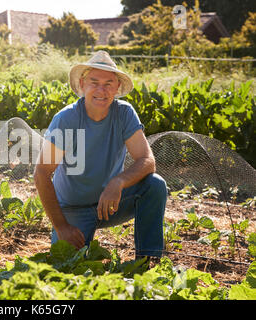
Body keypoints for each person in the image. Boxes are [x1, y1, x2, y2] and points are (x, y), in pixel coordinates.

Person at [33, 51, 167, 263]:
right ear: (82, 83)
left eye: (108, 84)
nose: (101, 90)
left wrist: (118, 181)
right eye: (94, 82)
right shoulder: (66, 119)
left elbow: (147, 160)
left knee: (154, 185)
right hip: (73, 209)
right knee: (67, 266)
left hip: (110, 204)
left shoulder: (124, 114)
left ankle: (148, 260)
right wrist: (62, 227)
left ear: (116, 88)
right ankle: (70, 233)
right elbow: (42, 173)